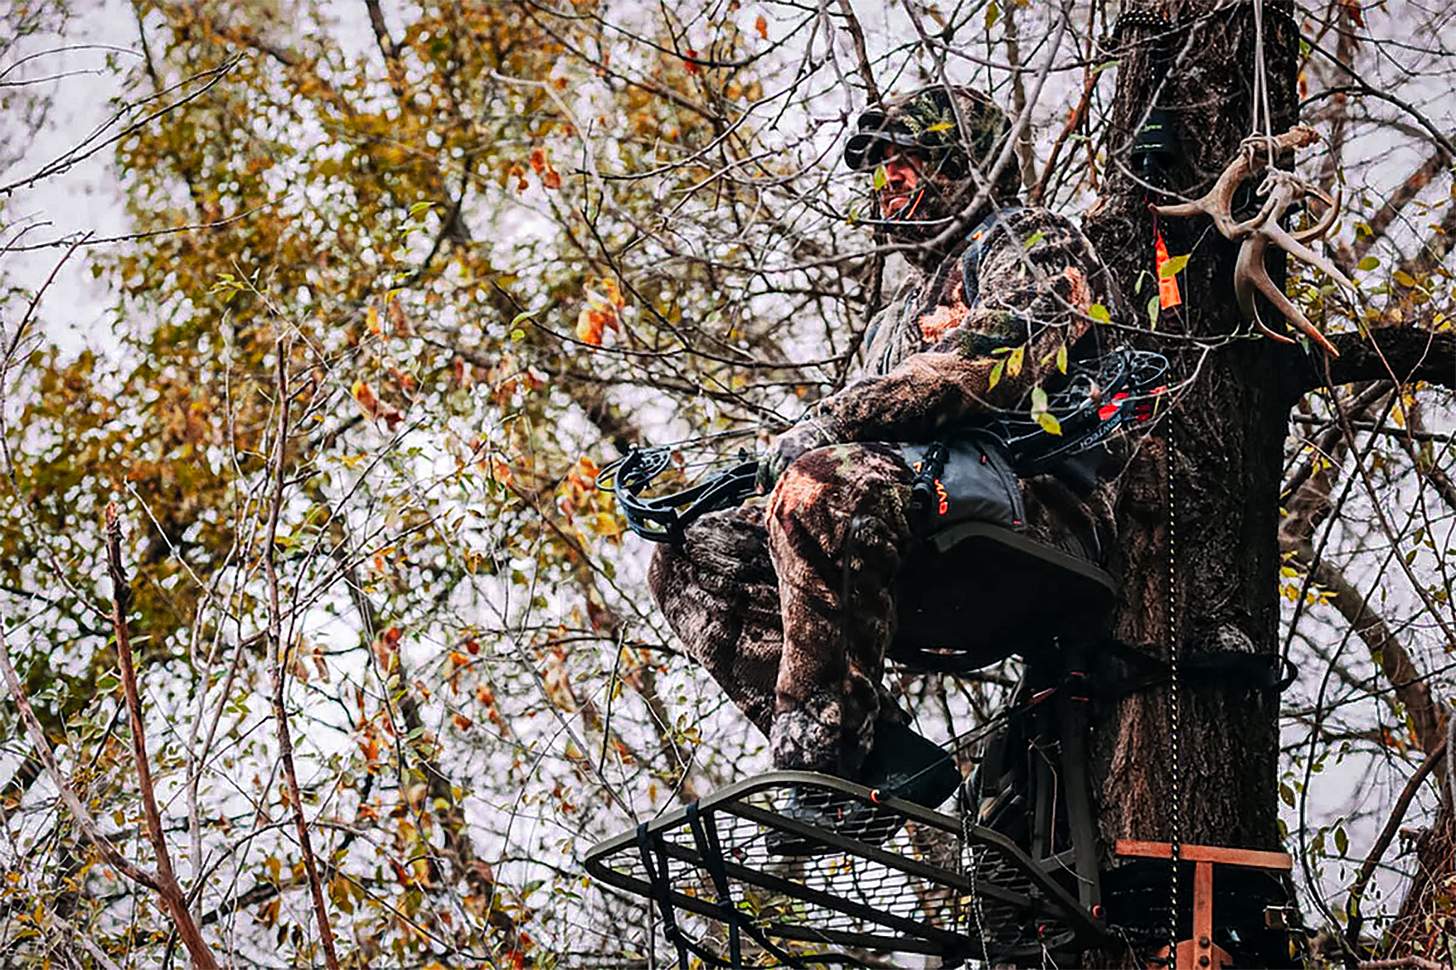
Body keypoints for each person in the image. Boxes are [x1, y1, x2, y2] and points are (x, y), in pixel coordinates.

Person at [647, 85, 1124, 845]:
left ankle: (822, 765)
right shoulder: (892, 319)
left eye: (907, 159)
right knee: (689, 552)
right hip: (916, 519)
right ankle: (882, 760)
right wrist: (737, 481)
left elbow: (1000, 352)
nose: (888, 179)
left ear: (965, 161)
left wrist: (829, 427)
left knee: (821, 485)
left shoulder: (1030, 238)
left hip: (1038, 508)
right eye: (880, 166)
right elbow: (849, 448)